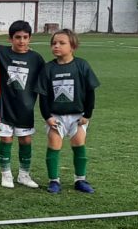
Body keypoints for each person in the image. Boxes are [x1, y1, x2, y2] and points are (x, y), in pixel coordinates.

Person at [36, 29, 100, 194]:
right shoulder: (48, 68)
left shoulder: (81, 65)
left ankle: (80, 179)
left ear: (73, 46)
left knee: (79, 144)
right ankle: (54, 181)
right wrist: (47, 117)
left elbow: (90, 92)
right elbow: (42, 96)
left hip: (78, 116)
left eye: (61, 43)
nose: (56, 46)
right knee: (54, 144)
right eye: (54, 43)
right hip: (56, 116)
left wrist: (87, 115)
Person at [0, 20, 46, 189]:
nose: (21, 41)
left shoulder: (36, 58)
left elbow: (44, 80)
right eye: (17, 37)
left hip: (25, 107)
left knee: (25, 139)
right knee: (6, 139)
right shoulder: (0, 52)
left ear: (30, 38)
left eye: (25, 37)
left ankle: (24, 174)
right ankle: (6, 174)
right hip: (4, 106)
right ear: (10, 39)